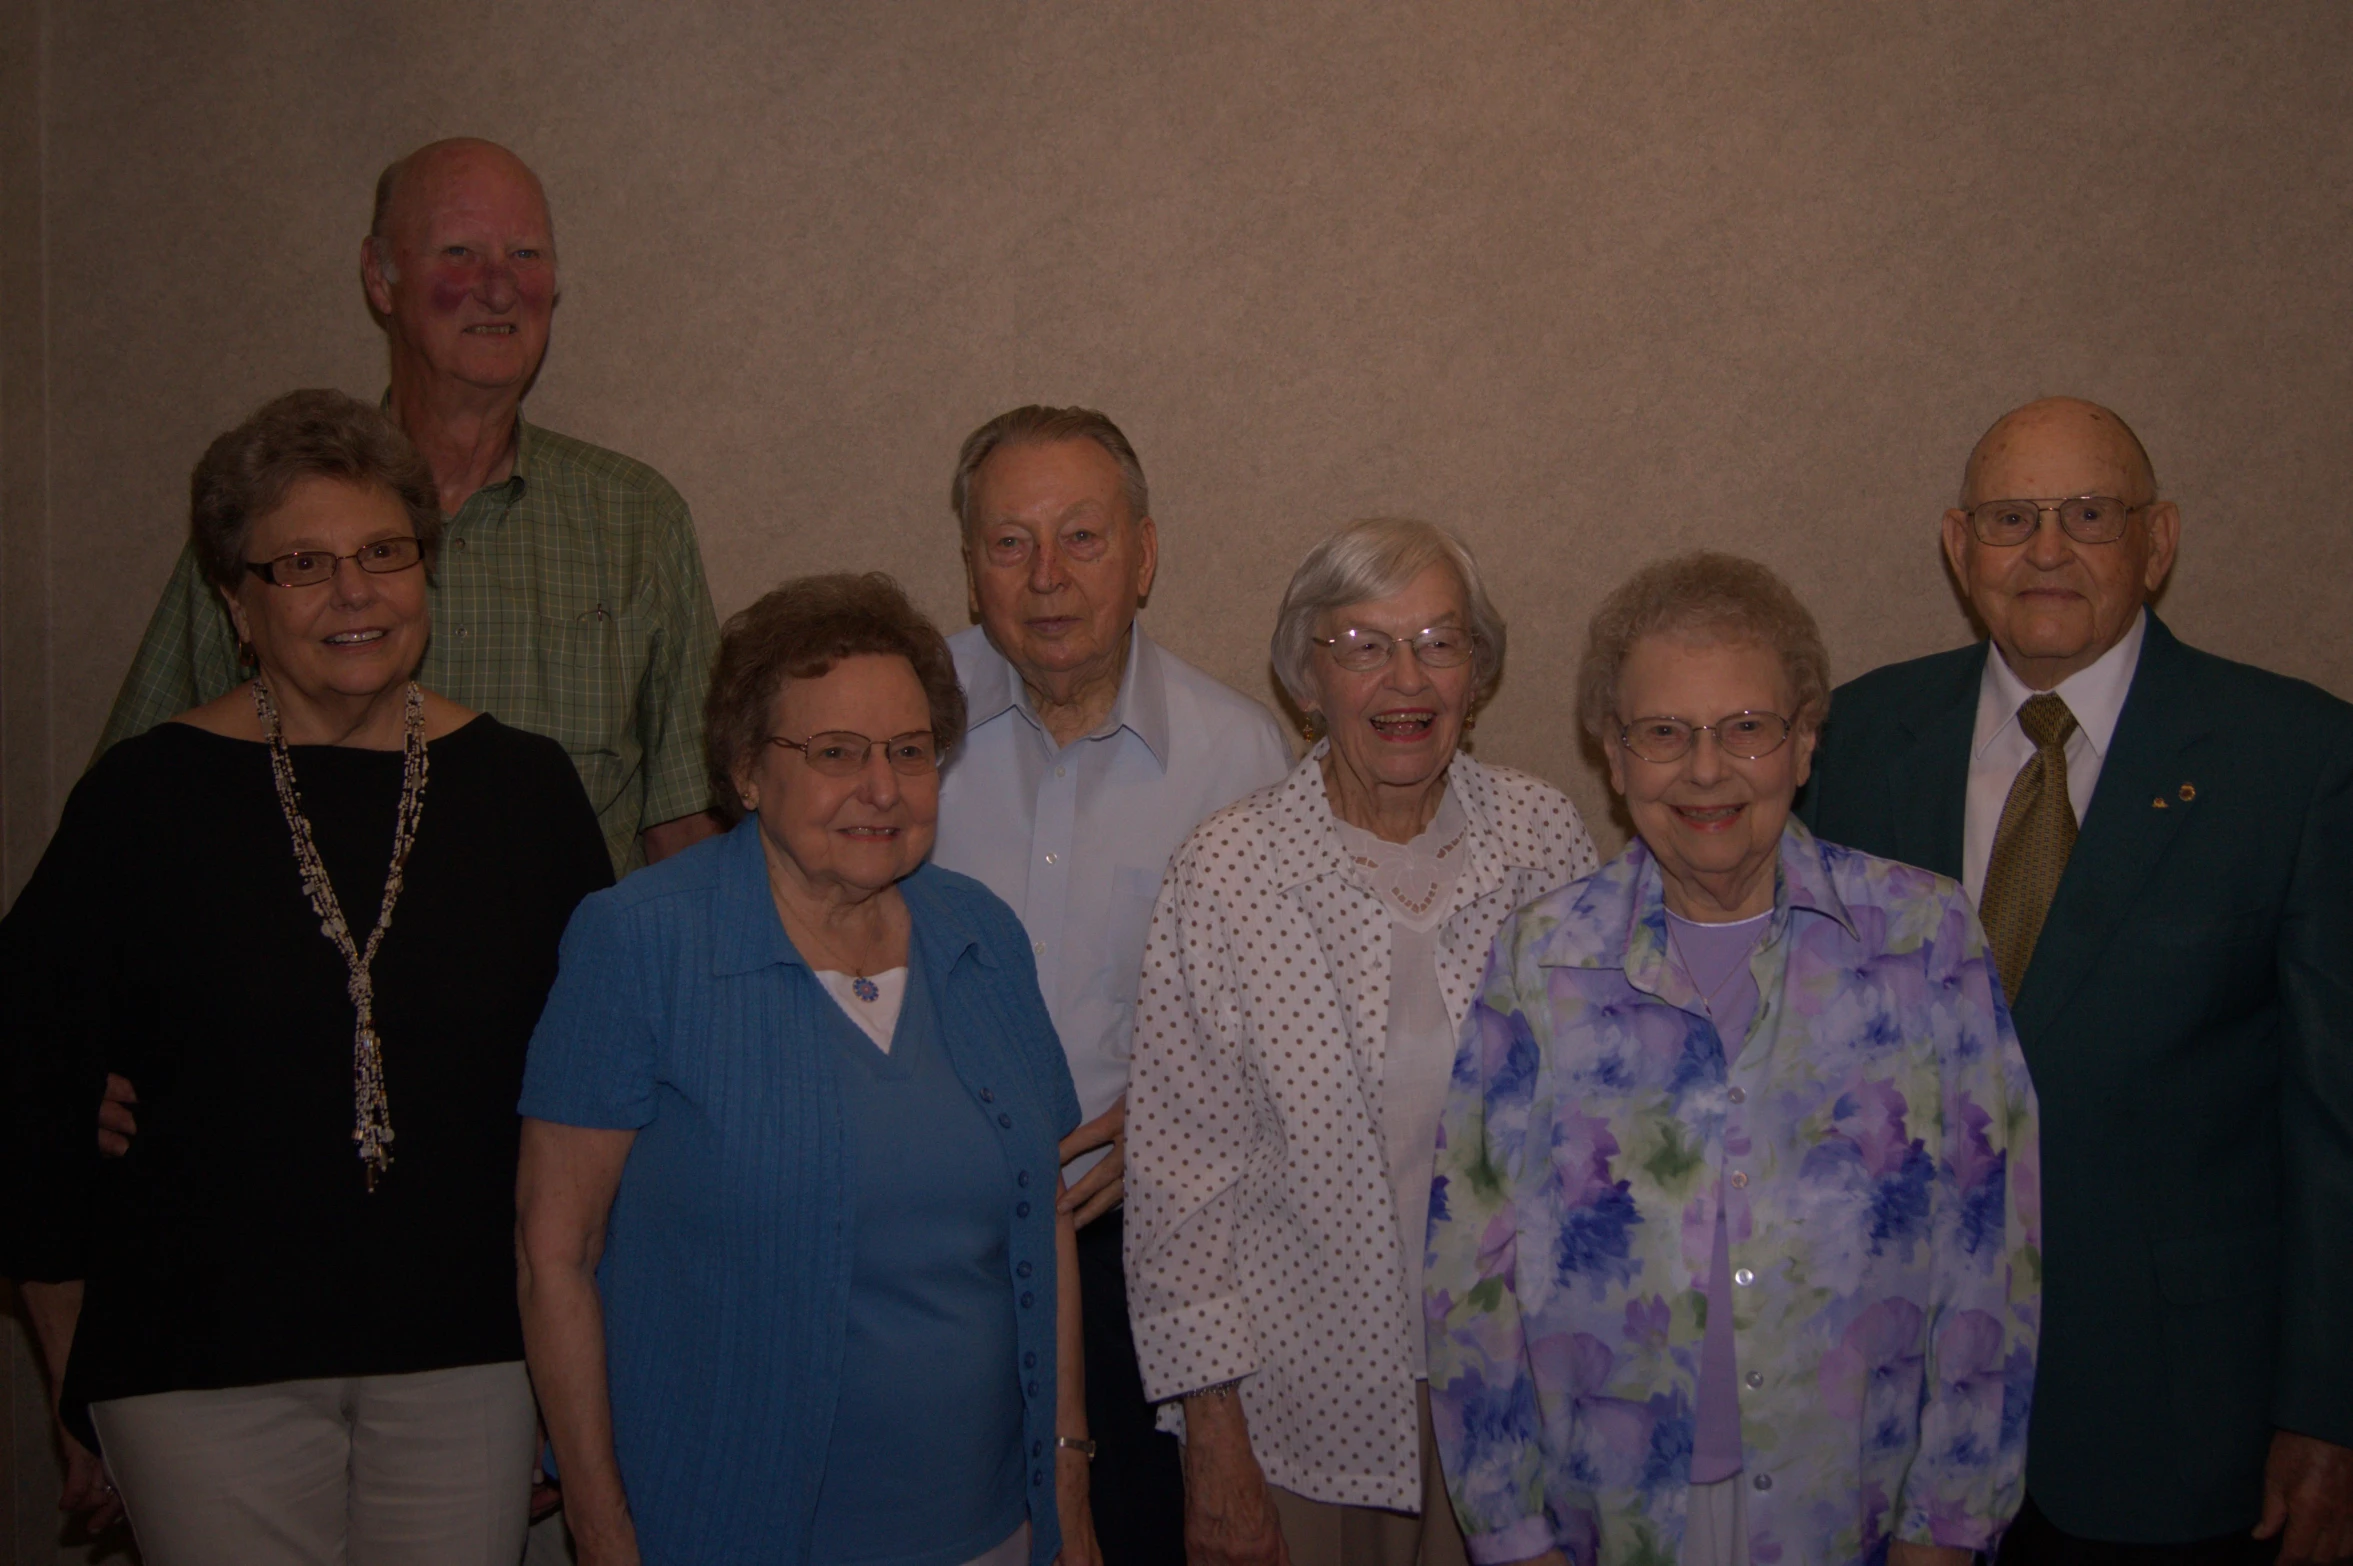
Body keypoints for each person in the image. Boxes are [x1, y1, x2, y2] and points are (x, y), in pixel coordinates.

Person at [0, 389, 613, 1563]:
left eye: (384, 551)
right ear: (235, 599)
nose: (355, 592)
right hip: (196, 1369)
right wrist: (76, 1376)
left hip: (474, 1358)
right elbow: (27, 1087)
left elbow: (600, 1100)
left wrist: (580, 1380)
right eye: (303, 564)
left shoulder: (523, 795)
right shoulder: (143, 800)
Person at [1801, 397, 2353, 1565]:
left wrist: (2329, 1408)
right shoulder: (1853, 740)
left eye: (2089, 514)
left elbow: (2336, 1120)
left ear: (2157, 541)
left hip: (2174, 1427)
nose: (2046, 549)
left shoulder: (2296, 760)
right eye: (2012, 517)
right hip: (1889, 1426)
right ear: (1959, 547)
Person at [1426, 551, 2039, 1566]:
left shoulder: (1922, 942)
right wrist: (1512, 1532)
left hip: (1849, 1514)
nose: (1704, 769)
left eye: (1745, 729)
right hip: (1608, 1520)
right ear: (1612, 758)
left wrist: (1950, 1526)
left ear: (1803, 742)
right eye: (1662, 733)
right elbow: (1467, 1275)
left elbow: (1993, 1260)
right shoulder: (1543, 961)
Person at [516, 573, 1098, 1566]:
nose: (882, 787)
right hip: (726, 1530)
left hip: (995, 1528)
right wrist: (601, 1527)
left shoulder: (980, 937)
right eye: (835, 753)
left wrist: (1071, 1494)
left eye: (909, 753)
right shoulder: (641, 944)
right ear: (746, 769)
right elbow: (555, 1254)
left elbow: (1041, 1216)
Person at [1125, 518, 1598, 1566]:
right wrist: (1213, 1444)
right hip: (1298, 1422)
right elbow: (1177, 1193)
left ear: (1476, 674)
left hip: (1518, 1407)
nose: (1406, 677)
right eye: (1362, 646)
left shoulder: (1543, 842)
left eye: (1439, 641)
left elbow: (1597, 1140)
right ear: (1306, 677)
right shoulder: (1226, 874)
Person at [94, 136, 721, 876]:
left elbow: (684, 833)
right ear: (378, 278)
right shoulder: (272, 508)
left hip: (561, 984)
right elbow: (132, 798)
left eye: (525, 255)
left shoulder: (637, 520)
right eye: (458, 253)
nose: (498, 288)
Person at [934, 404, 1293, 1562]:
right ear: (969, 563)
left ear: (1144, 554)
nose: (1045, 577)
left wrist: (1175, 1123)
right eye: (1009, 542)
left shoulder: (1238, 757)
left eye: (1081, 537)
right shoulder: (894, 732)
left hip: (1141, 1251)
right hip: (922, 1235)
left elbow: (1281, 1036)